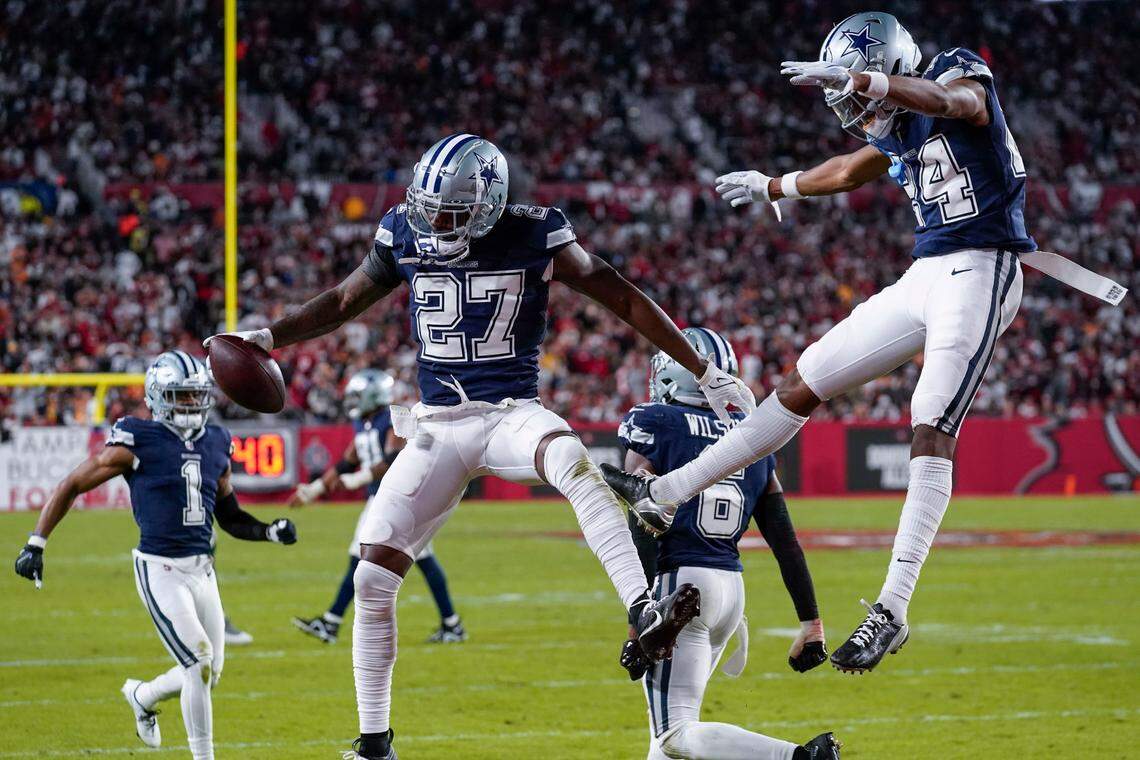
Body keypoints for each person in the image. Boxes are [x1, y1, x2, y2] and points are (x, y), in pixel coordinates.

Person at [205, 133, 756, 760]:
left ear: (491, 203)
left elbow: (623, 295)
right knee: (372, 574)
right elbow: (340, 301)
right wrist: (269, 336)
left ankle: (643, 608)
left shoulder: (535, 232)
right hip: (437, 426)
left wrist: (704, 371)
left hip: (510, 414)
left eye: (454, 212)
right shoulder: (401, 232)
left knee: (576, 465)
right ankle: (374, 741)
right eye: (430, 207)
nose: (437, 222)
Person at [604, 10, 1046, 674]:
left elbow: (953, 101)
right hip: (927, 273)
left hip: (986, 265)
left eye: (858, 97)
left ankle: (891, 610)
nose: (855, 111)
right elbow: (846, 171)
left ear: (892, 69)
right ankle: (664, 495)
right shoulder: (898, 128)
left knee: (930, 419)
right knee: (801, 381)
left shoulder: (952, 77)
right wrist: (774, 185)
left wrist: (863, 79)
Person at [12, 351, 297, 759]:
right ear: (158, 397)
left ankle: (143, 696)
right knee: (198, 660)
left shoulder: (217, 440)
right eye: (181, 396)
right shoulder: (137, 438)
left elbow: (229, 515)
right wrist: (36, 543)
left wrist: (268, 531)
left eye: (195, 396)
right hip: (160, 569)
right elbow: (73, 483)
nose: (191, 404)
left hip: (204, 572)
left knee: (208, 673)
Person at [617, 328, 839, 760]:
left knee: (675, 734)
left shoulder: (653, 422)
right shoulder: (752, 434)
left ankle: (796, 756)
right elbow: (784, 539)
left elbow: (642, 520)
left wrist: (637, 620)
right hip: (730, 593)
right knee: (664, 745)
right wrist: (811, 621)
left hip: (678, 589)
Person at [290, 368, 466, 644]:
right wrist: (313, 490)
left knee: (397, 559)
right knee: (405, 559)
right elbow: (346, 462)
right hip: (383, 499)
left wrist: (356, 479)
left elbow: (392, 460)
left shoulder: (393, 419)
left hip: (403, 497)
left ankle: (331, 622)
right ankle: (332, 622)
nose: (352, 401)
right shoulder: (363, 423)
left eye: (358, 396)